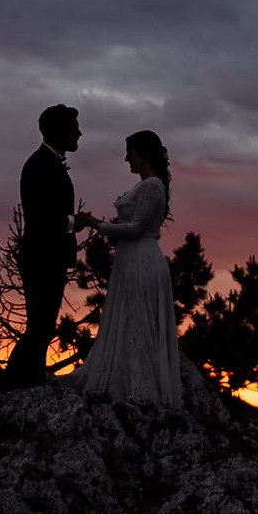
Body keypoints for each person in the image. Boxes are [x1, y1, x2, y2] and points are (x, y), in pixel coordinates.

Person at [71, 129, 181, 406]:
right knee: (131, 319)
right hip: (132, 260)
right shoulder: (149, 185)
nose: (126, 159)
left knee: (139, 320)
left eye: (129, 152)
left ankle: (139, 388)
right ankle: (126, 380)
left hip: (142, 260)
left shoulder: (152, 186)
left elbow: (136, 228)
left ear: (142, 153)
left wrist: (97, 224)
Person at [4, 103, 81, 387]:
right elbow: (41, 218)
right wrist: (75, 222)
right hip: (42, 258)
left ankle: (28, 381)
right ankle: (16, 384)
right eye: (75, 129)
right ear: (60, 133)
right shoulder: (39, 166)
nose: (80, 134)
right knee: (40, 326)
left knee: (43, 325)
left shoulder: (46, 163)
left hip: (48, 257)